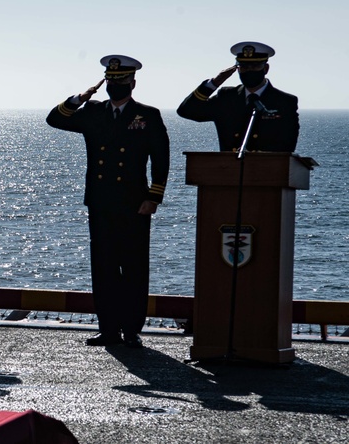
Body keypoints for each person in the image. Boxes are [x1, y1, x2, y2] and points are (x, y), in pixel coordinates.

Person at [46, 55, 169, 348]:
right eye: (111, 80)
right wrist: (78, 98)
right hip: (101, 201)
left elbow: (161, 157)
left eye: (121, 80)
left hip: (134, 202)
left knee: (134, 266)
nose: (115, 84)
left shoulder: (147, 115)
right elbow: (55, 119)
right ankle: (108, 329)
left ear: (132, 83)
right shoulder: (92, 111)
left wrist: (154, 196)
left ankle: (131, 329)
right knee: (104, 267)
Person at [177, 41, 299, 152]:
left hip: (265, 171)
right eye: (244, 67)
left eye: (255, 66)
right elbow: (187, 111)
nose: (249, 71)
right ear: (238, 69)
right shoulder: (226, 98)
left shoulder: (285, 102)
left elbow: (287, 145)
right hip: (230, 171)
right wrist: (214, 83)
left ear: (265, 69)